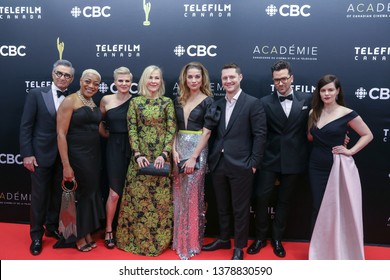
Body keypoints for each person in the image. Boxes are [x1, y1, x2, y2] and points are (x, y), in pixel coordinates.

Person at [202, 63, 267, 260]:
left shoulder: (252, 103)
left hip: (242, 165)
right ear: (221, 81)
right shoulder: (218, 103)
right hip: (219, 163)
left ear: (240, 77)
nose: (228, 81)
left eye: (232, 77)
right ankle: (223, 239)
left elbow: (260, 135)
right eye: (225, 78)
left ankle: (239, 246)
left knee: (240, 209)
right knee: (221, 206)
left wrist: (254, 163)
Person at [247, 60, 312, 258]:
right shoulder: (264, 102)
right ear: (273, 81)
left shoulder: (308, 99)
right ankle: (260, 238)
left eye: (284, 79)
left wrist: (339, 135)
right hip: (269, 159)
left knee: (285, 201)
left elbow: (321, 120)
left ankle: (277, 239)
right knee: (261, 198)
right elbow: (258, 133)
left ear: (291, 78)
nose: (281, 83)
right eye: (277, 80)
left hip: (295, 159)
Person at [307, 74, 373, 259]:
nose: (326, 93)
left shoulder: (347, 113)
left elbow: (368, 134)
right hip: (315, 165)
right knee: (318, 207)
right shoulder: (313, 113)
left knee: (336, 208)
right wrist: (330, 136)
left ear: (337, 91)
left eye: (330, 90)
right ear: (318, 92)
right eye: (323, 90)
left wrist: (350, 150)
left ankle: (337, 252)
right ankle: (318, 252)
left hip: (337, 166)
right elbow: (311, 137)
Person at [116, 65, 176, 256]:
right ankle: (133, 241)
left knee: (159, 205)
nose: (153, 81)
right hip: (139, 160)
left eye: (157, 78)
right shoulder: (135, 102)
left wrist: (163, 154)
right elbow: (132, 129)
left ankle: (158, 242)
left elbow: (171, 130)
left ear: (161, 81)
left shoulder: (167, 102)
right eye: (150, 77)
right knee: (136, 202)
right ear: (144, 80)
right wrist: (138, 154)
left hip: (161, 160)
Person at [19, 59, 75, 255]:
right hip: (40, 155)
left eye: (67, 75)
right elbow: (26, 126)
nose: (62, 77)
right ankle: (36, 236)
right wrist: (27, 154)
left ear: (72, 79)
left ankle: (52, 227)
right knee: (39, 197)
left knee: (58, 196)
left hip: (64, 157)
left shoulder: (74, 98)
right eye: (59, 73)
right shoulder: (36, 94)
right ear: (53, 74)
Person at [172, 62, 219, 260]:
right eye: (190, 77)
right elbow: (173, 127)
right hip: (178, 148)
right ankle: (178, 240)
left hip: (197, 150)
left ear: (202, 79)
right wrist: (173, 149)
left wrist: (193, 157)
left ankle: (191, 243)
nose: (193, 80)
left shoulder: (208, 101)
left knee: (192, 195)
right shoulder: (178, 99)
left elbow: (207, 132)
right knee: (179, 194)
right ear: (184, 78)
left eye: (197, 77)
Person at [57, 69, 105, 252]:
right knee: (80, 194)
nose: (91, 86)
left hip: (94, 155)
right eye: (88, 81)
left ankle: (85, 232)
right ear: (80, 81)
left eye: (95, 83)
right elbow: (61, 134)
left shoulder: (92, 101)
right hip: (77, 155)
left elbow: (97, 128)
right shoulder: (69, 101)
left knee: (89, 194)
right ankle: (75, 236)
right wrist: (66, 165)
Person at [99, 67, 133, 249]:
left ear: (131, 82)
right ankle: (108, 229)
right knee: (114, 193)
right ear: (114, 82)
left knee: (133, 191)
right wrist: (107, 136)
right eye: (120, 81)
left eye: (127, 81)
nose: (124, 84)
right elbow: (98, 121)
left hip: (134, 148)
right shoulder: (106, 100)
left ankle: (129, 229)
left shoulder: (136, 101)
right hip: (114, 147)